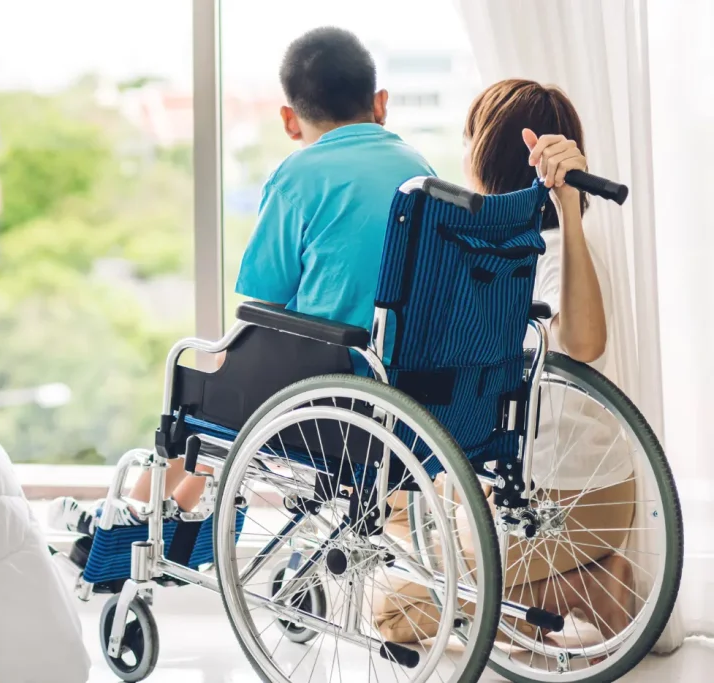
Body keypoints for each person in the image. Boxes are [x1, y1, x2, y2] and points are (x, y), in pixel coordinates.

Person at [47, 26, 434, 535]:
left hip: (326, 391)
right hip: (408, 393)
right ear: (380, 103)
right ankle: (177, 509)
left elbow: (261, 303)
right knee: (228, 396)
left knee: (204, 390)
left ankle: (124, 526)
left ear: (289, 120)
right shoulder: (420, 171)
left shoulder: (299, 176)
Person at [373, 79, 636, 646]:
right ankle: (548, 585)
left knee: (389, 611)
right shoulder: (571, 243)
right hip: (606, 490)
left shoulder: (553, 250)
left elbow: (584, 345)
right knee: (404, 496)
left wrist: (564, 201)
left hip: (554, 502)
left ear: (483, 152)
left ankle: (570, 591)